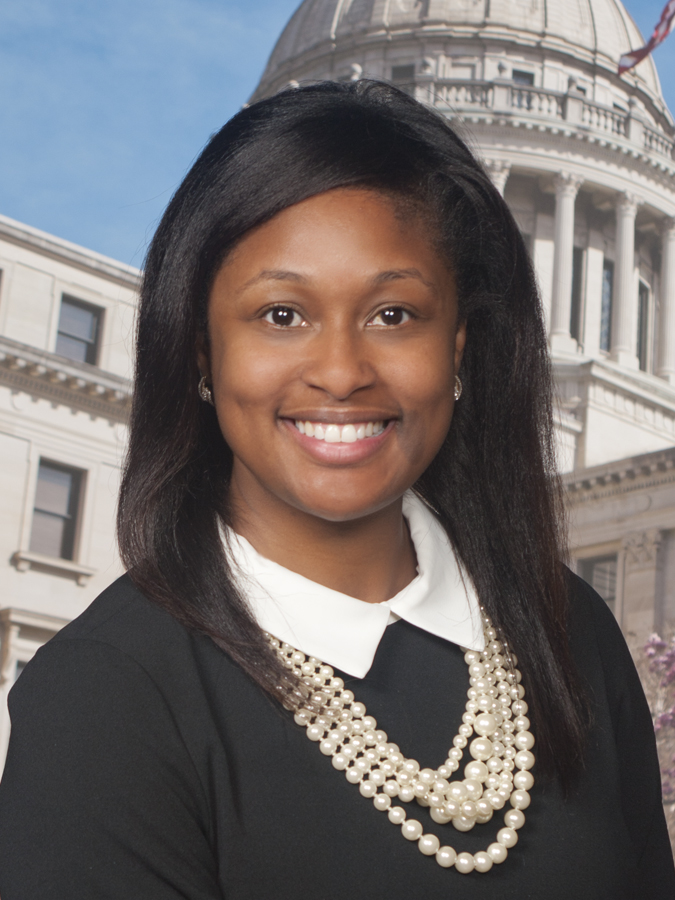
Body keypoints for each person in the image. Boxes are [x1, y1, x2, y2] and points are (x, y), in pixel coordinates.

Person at [0, 80, 673, 899]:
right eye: (281, 314)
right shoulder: (103, 698)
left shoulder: (571, 633)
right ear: (201, 351)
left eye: (394, 314)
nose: (342, 373)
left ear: (458, 346)